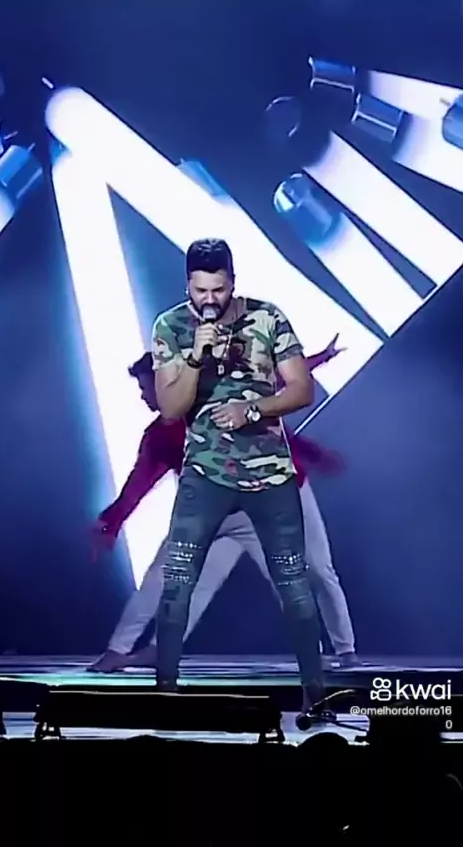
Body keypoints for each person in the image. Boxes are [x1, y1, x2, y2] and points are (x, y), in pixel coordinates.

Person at [89, 343, 357, 673]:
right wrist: (111, 522)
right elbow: (138, 484)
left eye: (146, 388)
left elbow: (272, 384)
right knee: (165, 577)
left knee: (306, 574)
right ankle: (124, 650)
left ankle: (339, 651)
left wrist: (319, 363)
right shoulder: (159, 437)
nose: (143, 396)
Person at [152, 236, 328, 712]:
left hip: (270, 475)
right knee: (177, 581)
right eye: (200, 291)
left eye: (219, 289)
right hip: (205, 474)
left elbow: (302, 389)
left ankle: (316, 695)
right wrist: (195, 356)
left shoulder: (267, 318)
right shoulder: (171, 326)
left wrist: (251, 409)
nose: (210, 299)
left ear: (233, 281)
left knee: (294, 584)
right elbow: (170, 409)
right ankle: (164, 694)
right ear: (188, 286)